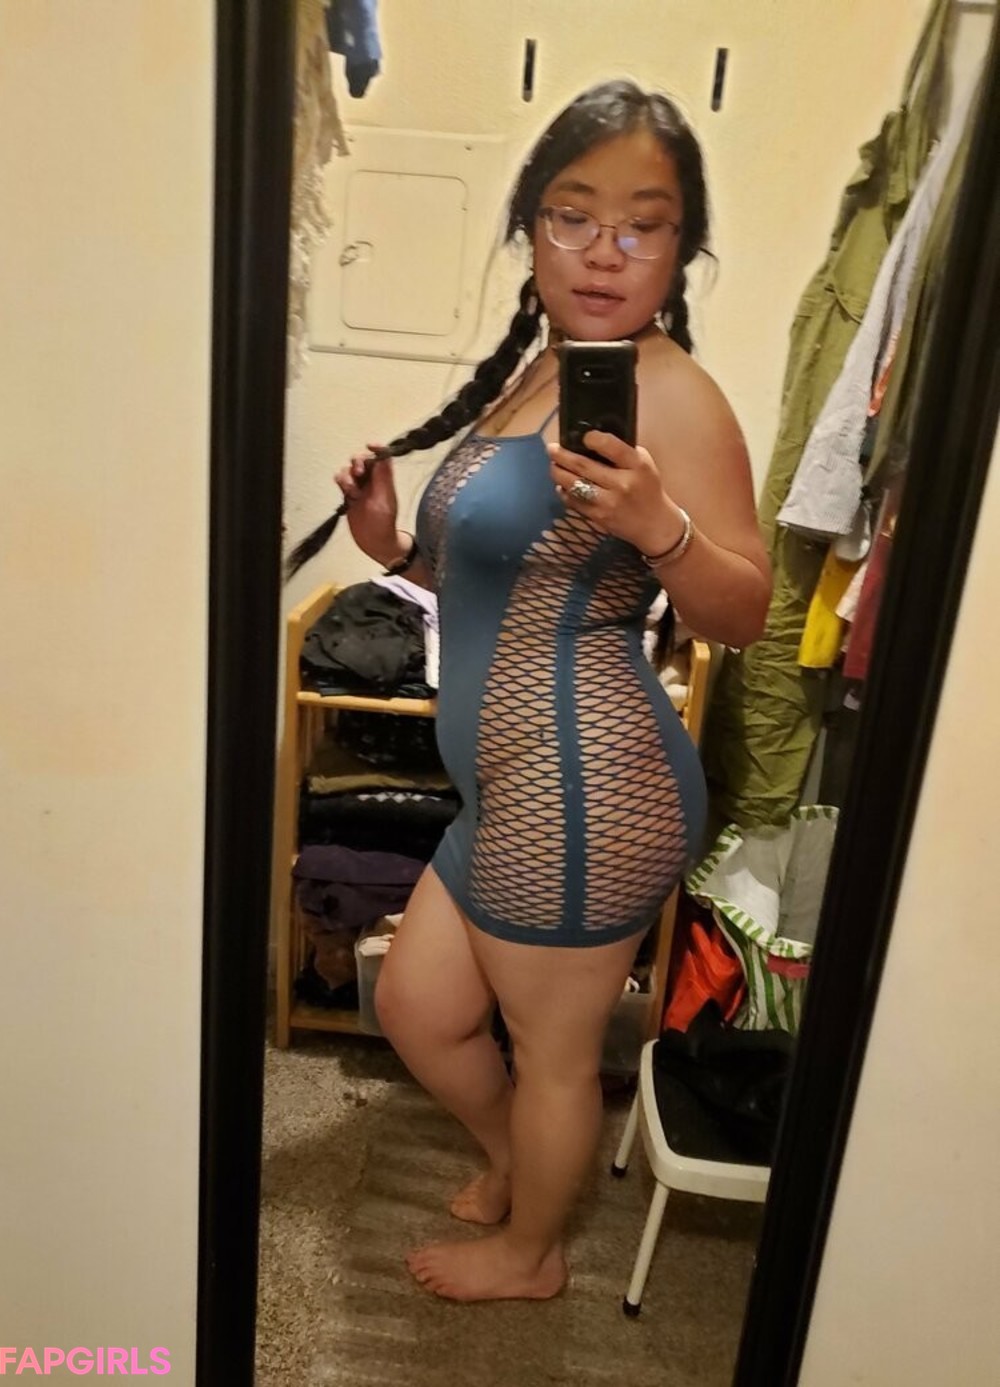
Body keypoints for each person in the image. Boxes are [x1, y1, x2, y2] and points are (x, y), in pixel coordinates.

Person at [328, 79, 771, 1303]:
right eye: (575, 216)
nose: (606, 249)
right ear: (531, 228)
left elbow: (743, 611)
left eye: (645, 223)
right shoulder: (542, 370)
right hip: (506, 788)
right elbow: (501, 574)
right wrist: (387, 544)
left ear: (682, 245)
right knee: (419, 1008)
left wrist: (663, 526)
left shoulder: (673, 395)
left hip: (588, 791)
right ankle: (517, 1163)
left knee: (555, 1052)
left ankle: (532, 1255)